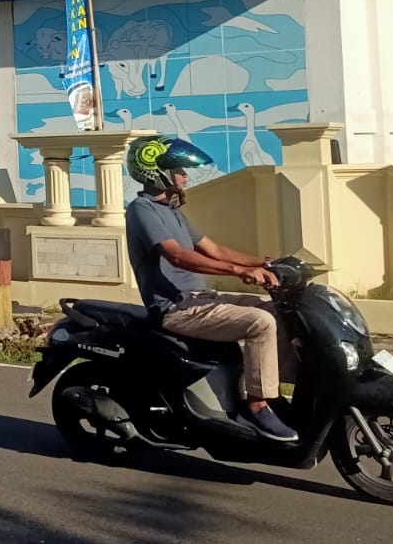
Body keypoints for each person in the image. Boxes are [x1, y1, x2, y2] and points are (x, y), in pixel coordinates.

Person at [124, 135, 297, 443]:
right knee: (260, 323)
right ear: (156, 171)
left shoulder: (173, 210)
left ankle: (272, 393)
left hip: (202, 300)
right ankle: (255, 407)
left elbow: (213, 250)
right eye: (178, 169)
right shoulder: (142, 209)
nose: (184, 175)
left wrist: (267, 263)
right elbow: (177, 255)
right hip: (176, 309)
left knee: (275, 310)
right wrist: (240, 271)